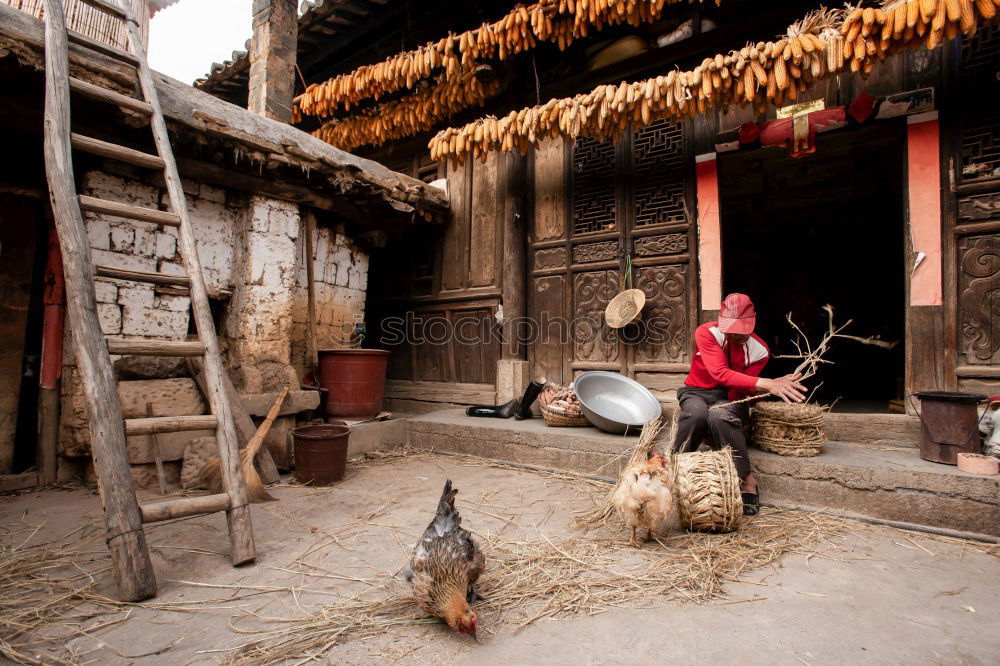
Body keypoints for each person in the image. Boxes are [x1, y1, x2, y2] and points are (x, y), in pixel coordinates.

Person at [671, 293, 806, 515]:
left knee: (720, 416)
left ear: (752, 322)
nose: (734, 334)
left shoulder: (759, 350)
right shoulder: (707, 332)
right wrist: (766, 383)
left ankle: (746, 480)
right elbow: (719, 373)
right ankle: (676, 470)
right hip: (697, 391)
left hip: (731, 396)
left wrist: (761, 388)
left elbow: (737, 390)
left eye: (741, 329)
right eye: (730, 327)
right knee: (694, 414)